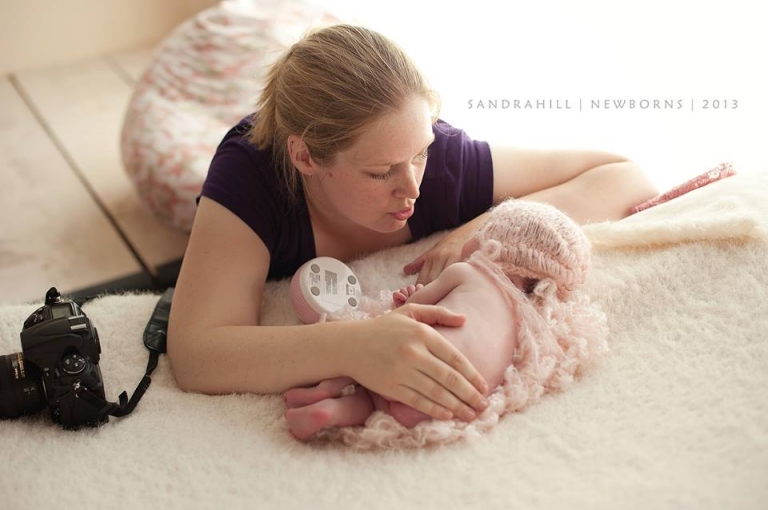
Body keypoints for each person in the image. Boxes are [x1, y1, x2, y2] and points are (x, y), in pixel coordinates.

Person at [166, 24, 657, 424]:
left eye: (420, 153)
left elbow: (623, 175)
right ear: (305, 157)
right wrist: (356, 346)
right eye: (381, 172)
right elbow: (196, 353)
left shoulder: (444, 165)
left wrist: (478, 230)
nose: (413, 189)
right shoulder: (250, 177)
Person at [282, 199, 603, 442]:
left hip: (408, 365)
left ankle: (324, 395)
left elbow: (409, 311)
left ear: (489, 243)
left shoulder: (466, 272)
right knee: (372, 403)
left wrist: (407, 298)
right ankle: (333, 413)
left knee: (363, 357)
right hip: (445, 403)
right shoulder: (525, 324)